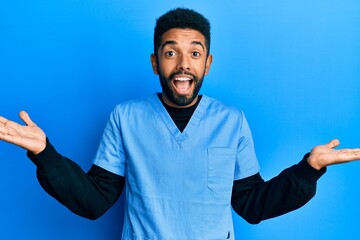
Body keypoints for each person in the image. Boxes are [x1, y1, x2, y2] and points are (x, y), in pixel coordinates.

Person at [0, 7, 359, 240]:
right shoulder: (126, 117)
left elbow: (252, 205)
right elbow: (94, 201)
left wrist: (308, 169)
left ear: (207, 63)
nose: (183, 64)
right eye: (171, 52)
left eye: (195, 53)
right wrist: (44, 153)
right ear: (156, 62)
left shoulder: (231, 121)